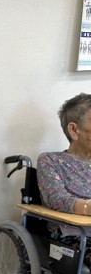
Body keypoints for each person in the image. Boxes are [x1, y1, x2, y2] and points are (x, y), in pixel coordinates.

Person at [37, 93, 91, 263]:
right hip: (73, 236)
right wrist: (87, 207)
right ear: (74, 130)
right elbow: (56, 198)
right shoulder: (50, 161)